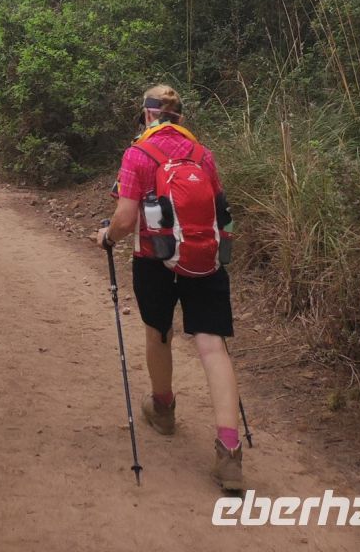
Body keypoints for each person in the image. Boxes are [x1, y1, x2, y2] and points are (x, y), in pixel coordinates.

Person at [91, 84, 245, 491]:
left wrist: (106, 238)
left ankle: (163, 409)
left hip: (153, 260)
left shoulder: (138, 154)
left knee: (159, 332)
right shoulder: (203, 154)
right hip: (205, 261)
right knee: (212, 345)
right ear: (181, 117)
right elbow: (220, 208)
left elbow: (125, 218)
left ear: (147, 115)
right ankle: (229, 452)